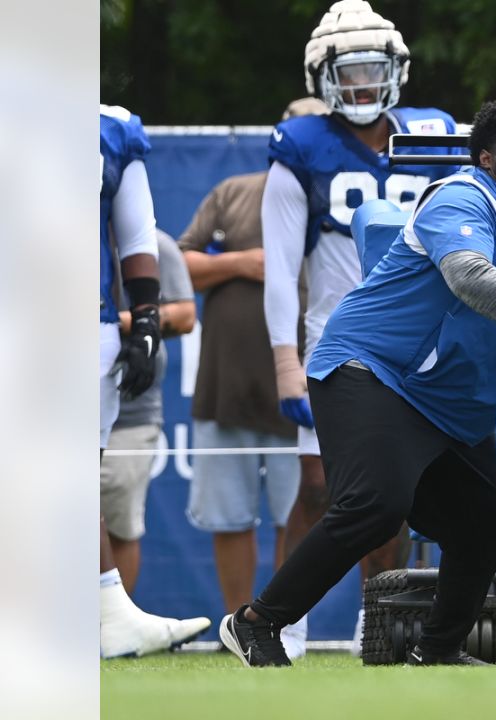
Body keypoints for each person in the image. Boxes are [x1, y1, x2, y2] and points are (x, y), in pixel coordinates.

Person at [220, 93, 496, 668]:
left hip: (445, 404)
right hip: (370, 369)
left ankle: (439, 650)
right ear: (485, 160)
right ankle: (255, 623)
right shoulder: (462, 197)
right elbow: (470, 278)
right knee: (375, 505)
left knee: (489, 517)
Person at [261, 0, 461, 654]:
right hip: (337, 336)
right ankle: (285, 621)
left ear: (396, 70)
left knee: (394, 492)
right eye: (350, 73)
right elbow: (282, 265)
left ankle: (382, 622)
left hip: (419, 342)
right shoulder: (302, 147)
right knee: (318, 487)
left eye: (374, 71)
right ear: (324, 76)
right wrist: (287, 360)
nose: (363, 86)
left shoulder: (434, 137)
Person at [178, 98, 327, 660]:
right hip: (227, 391)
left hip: (309, 396)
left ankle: (285, 629)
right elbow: (179, 261)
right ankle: (235, 629)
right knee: (230, 518)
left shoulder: (348, 189)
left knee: (308, 516)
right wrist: (243, 263)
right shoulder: (233, 190)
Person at [99, 104, 210, 658]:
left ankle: (111, 616)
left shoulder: (156, 246)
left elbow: (182, 312)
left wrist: (138, 319)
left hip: (112, 378)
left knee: (104, 507)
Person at [101, 230, 196, 595]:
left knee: (119, 525)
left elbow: (185, 315)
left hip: (131, 410)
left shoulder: (155, 245)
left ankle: (113, 629)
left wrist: (113, 323)